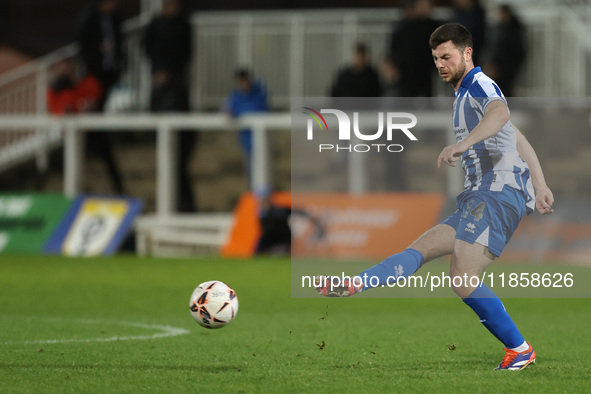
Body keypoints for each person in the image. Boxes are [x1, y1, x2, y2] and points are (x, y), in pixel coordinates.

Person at [315, 23, 555, 371]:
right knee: (420, 249)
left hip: (498, 192)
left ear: (467, 53)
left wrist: (462, 144)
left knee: (461, 277)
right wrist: (542, 182)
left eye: (447, 56)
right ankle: (356, 283)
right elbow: (514, 132)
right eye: (436, 58)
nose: (441, 64)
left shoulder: (480, 83)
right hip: (481, 195)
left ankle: (520, 350)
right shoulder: (462, 94)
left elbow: (501, 115)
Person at [143, 0, 197, 212]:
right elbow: (147, 45)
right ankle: (176, 204)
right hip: (164, 132)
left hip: (181, 133)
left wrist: (171, 73)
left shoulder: (183, 25)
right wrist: (158, 69)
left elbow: (186, 52)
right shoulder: (155, 25)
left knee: (179, 164)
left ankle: (185, 204)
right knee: (169, 165)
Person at [76, 0, 125, 195]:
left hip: (109, 77)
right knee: (94, 131)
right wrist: (98, 51)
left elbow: (120, 43)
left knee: (98, 131)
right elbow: (84, 45)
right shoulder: (88, 19)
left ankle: (110, 177)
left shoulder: (114, 19)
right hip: (96, 79)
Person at [222, 69, 269, 186]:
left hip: (263, 139)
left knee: (264, 168)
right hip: (246, 139)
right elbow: (227, 111)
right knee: (250, 168)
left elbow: (260, 110)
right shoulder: (235, 96)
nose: (244, 84)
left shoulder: (259, 94)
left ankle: (263, 195)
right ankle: (253, 194)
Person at [389, 0, 441, 96]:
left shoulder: (431, 26)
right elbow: (394, 50)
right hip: (406, 74)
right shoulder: (402, 28)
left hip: (425, 72)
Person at [484, 4, 526, 97]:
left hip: (507, 65)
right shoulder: (500, 29)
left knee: (504, 88)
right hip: (501, 64)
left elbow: (509, 50)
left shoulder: (511, 30)